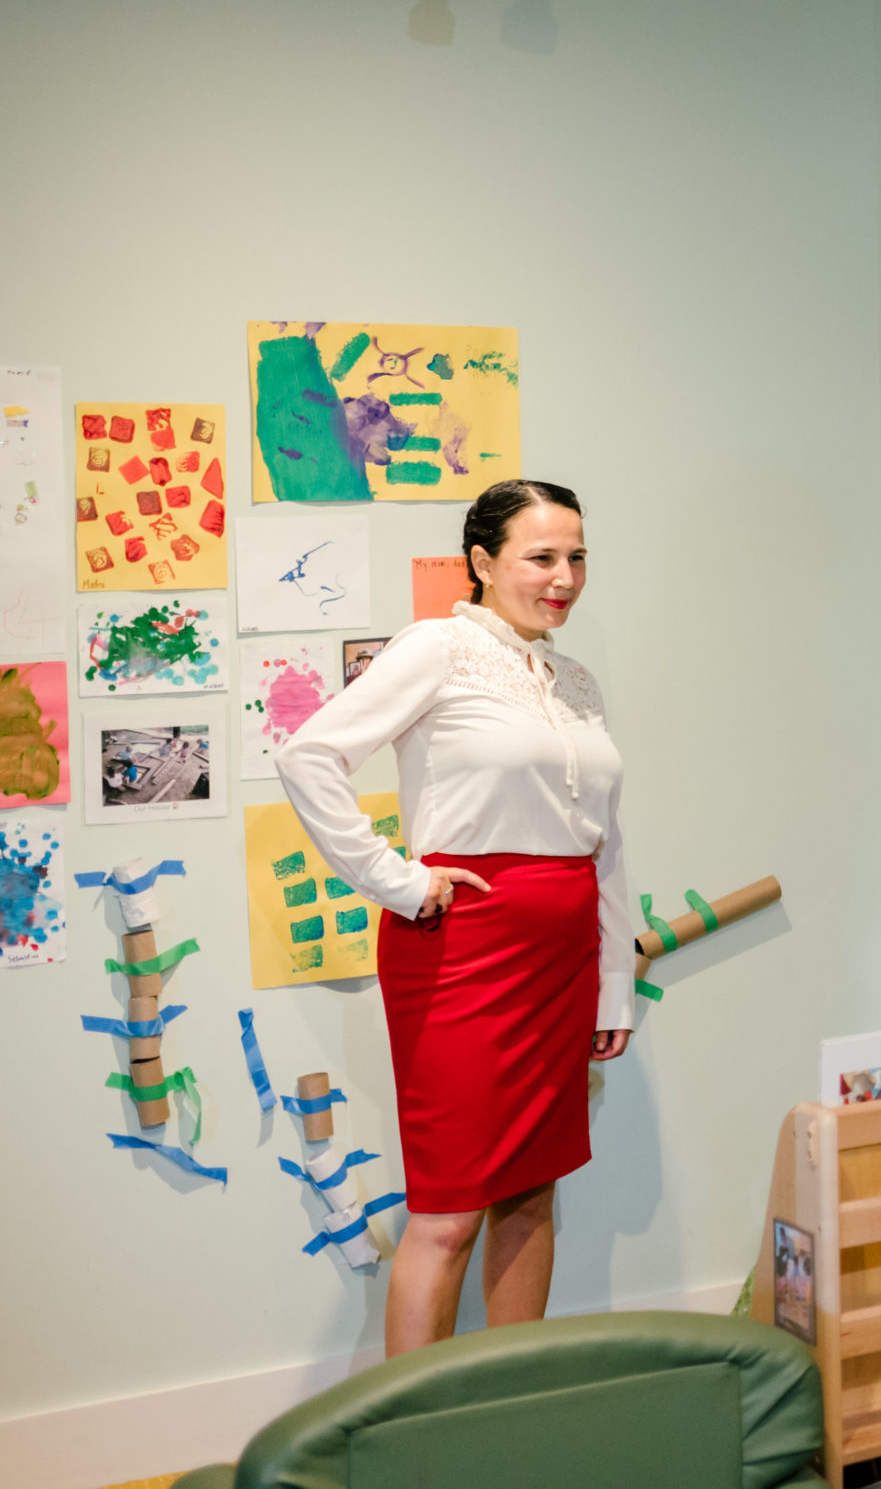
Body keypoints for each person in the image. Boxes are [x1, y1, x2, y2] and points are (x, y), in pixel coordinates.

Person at [278, 480, 634, 1358]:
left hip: (564, 962)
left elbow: (607, 840)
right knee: (447, 1209)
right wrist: (394, 879)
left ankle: (504, 1415)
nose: (565, 577)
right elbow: (308, 753)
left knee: (532, 1189)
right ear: (482, 561)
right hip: (463, 958)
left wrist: (614, 983)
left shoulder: (574, 679)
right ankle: (414, 1439)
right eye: (541, 557)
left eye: (577, 556)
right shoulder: (437, 647)